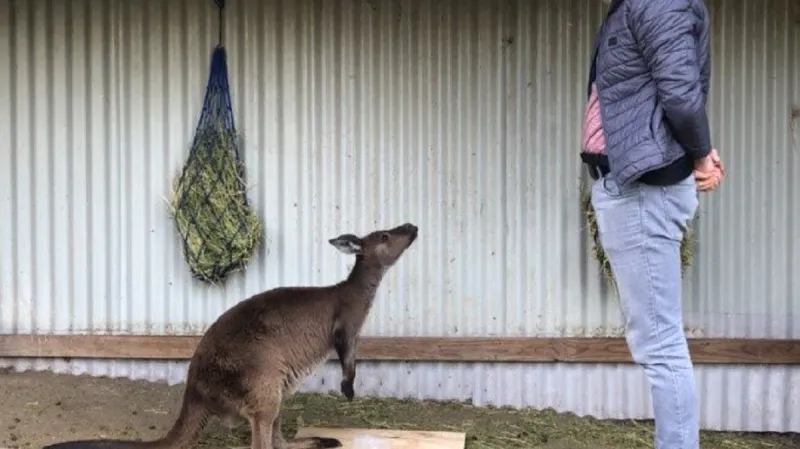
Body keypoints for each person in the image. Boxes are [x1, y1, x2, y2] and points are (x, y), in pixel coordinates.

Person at [580, 1, 725, 448]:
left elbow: (681, 92)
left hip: (645, 191)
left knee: (660, 344)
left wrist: (701, 155)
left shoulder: (658, 1)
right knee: (656, 340)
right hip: (632, 187)